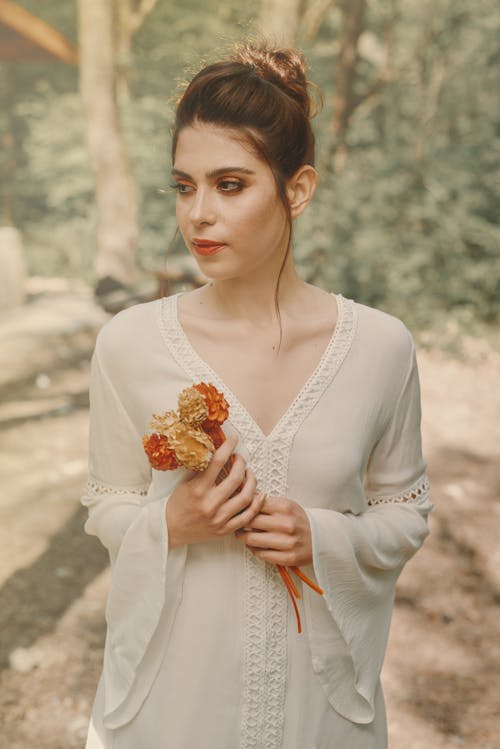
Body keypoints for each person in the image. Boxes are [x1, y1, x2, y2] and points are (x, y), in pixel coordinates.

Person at [81, 41, 433, 749]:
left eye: (230, 184)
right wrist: (170, 521)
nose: (198, 214)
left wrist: (323, 537)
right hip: (171, 707)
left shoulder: (380, 348)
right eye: (184, 186)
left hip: (319, 708)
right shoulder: (129, 343)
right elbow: (107, 502)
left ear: (296, 189)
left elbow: (405, 508)